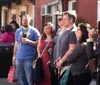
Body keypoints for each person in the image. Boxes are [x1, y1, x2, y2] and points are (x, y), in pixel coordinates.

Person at [12, 14, 40, 85]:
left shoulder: (34, 31)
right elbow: (16, 44)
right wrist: (14, 56)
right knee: (21, 79)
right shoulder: (18, 31)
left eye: (26, 20)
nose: (24, 22)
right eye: (23, 20)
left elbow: (38, 44)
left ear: (29, 21)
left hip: (29, 58)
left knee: (30, 79)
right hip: (19, 58)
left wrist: (28, 41)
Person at [56, 11, 77, 85]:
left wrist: (61, 61)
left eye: (65, 19)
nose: (62, 21)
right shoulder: (67, 31)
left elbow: (71, 49)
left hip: (68, 66)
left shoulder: (73, 32)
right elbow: (63, 46)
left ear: (71, 20)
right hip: (63, 65)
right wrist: (59, 58)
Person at [86, 21, 100, 85]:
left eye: (97, 27)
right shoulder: (98, 40)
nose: (95, 29)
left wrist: (90, 39)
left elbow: (91, 55)